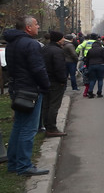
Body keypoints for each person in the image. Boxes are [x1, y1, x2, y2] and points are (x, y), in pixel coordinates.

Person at [3, 15, 51, 176]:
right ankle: (24, 166)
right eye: (36, 24)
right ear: (28, 27)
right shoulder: (31, 44)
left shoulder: (12, 44)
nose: (38, 27)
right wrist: (46, 86)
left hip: (17, 89)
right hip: (30, 90)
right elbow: (38, 69)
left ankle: (14, 164)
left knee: (18, 127)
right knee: (29, 129)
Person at [41, 31, 68, 138]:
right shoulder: (57, 51)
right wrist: (63, 81)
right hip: (56, 82)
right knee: (54, 105)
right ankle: (52, 128)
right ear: (58, 39)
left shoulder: (44, 49)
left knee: (46, 105)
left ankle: (47, 126)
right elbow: (59, 68)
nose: (63, 40)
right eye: (62, 38)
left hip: (45, 80)